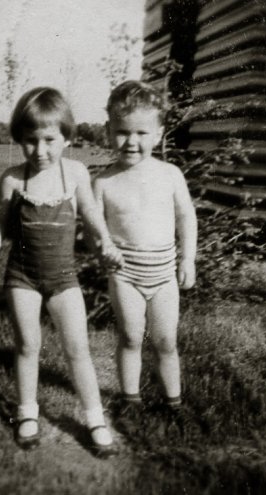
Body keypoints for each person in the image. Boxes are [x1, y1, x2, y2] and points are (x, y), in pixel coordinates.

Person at [0, 87, 123, 457]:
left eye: (49, 140)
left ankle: (94, 418)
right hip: (21, 277)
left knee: (78, 349)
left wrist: (104, 241)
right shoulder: (12, 179)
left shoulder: (74, 173)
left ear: (67, 138)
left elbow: (90, 213)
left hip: (63, 279)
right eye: (30, 141)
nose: (40, 151)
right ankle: (27, 413)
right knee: (27, 346)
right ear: (19, 140)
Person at [93, 80, 197, 414]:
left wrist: (188, 259)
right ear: (109, 131)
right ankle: (130, 400)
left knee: (166, 341)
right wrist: (102, 247)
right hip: (126, 274)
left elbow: (186, 217)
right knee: (131, 337)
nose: (131, 141)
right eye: (122, 132)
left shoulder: (169, 175)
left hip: (164, 274)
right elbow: (92, 231)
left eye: (141, 133)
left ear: (158, 133)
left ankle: (173, 401)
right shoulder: (104, 181)